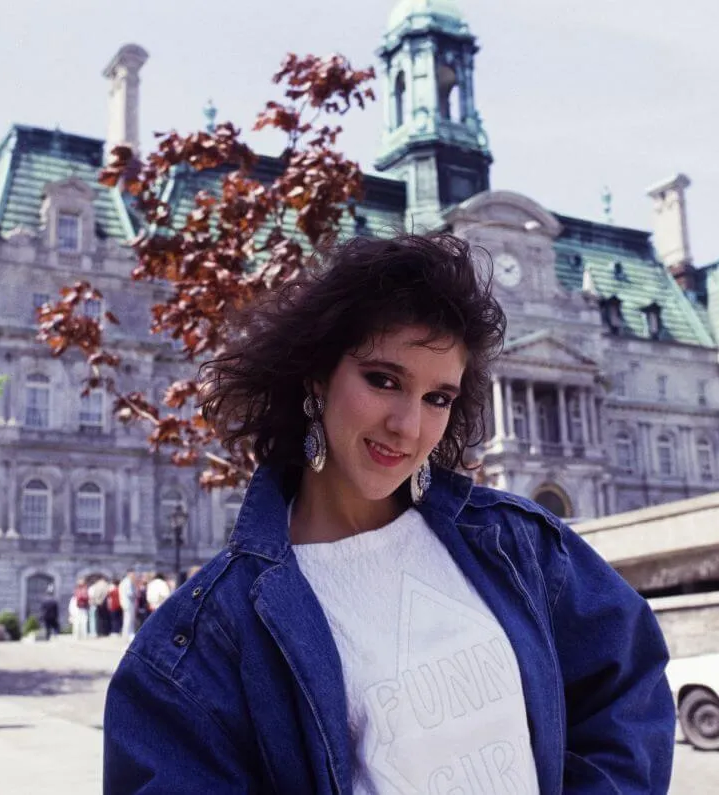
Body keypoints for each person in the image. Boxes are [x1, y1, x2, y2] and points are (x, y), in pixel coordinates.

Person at [104, 235, 675, 793]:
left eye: (438, 398)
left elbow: (628, 690)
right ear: (317, 377)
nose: (408, 426)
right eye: (383, 380)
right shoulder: (199, 644)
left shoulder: (516, 543)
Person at [119, 570, 137, 641]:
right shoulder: (128, 582)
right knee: (129, 620)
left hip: (125, 603)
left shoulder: (124, 581)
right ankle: (129, 635)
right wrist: (135, 594)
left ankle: (126, 635)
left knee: (127, 619)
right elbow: (130, 593)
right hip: (128, 603)